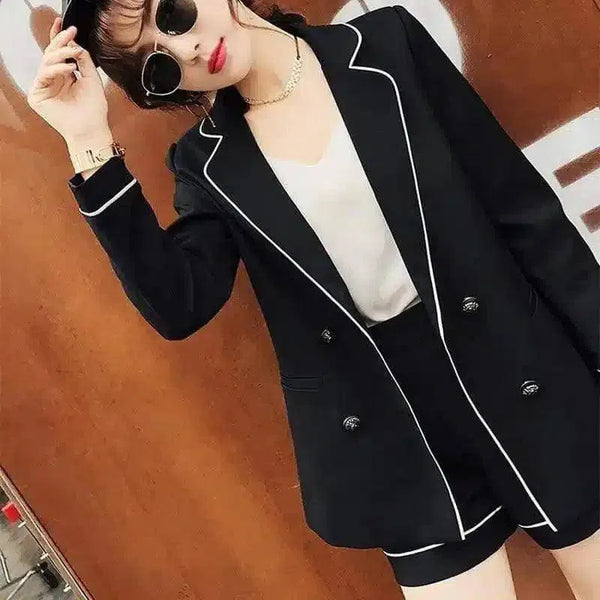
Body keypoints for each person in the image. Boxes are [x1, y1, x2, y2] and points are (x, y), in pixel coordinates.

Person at [27, 1, 600, 597]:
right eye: (157, 65)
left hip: (520, 369)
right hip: (398, 430)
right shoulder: (205, 165)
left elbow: (523, 213)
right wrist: (88, 141)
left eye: (172, 13)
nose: (185, 49)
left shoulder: (386, 48)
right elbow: (178, 305)